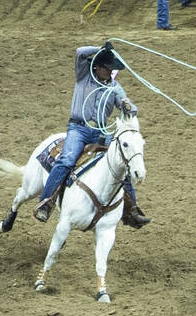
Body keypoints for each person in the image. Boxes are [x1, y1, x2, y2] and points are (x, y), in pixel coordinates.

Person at [33, 43, 151, 226]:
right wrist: (100, 47)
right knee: (67, 159)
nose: (110, 72)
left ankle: (131, 210)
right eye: (107, 68)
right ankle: (46, 202)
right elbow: (80, 52)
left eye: (112, 69)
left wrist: (129, 107)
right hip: (78, 129)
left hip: (101, 132)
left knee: (120, 162)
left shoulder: (114, 87)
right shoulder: (83, 76)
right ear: (97, 66)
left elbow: (128, 107)